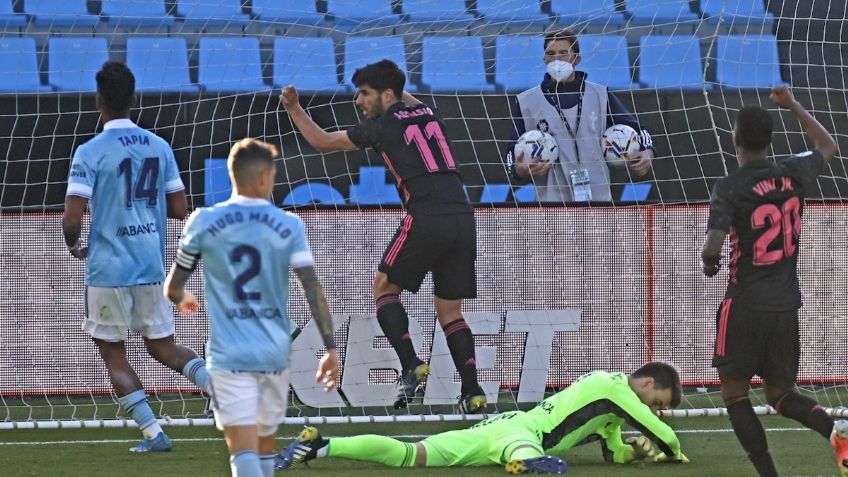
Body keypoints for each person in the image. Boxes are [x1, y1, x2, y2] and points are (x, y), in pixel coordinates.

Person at [279, 59, 486, 413]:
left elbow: (321, 141)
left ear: (387, 94)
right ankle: (474, 392)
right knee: (451, 311)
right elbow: (401, 91)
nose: (358, 100)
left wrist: (295, 108)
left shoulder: (378, 126)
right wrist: (390, 79)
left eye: (364, 93)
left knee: (384, 288)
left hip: (426, 214)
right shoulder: (428, 113)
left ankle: (410, 364)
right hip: (464, 217)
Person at [163, 138, 339, 477]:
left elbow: (172, 287)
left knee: (243, 453)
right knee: (262, 452)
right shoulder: (288, 224)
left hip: (229, 355)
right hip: (273, 353)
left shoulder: (202, 220)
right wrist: (330, 347)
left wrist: (182, 298)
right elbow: (312, 287)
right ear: (261, 177)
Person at [62, 62, 211, 453]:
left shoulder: (90, 151)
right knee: (163, 346)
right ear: (134, 99)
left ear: (98, 102)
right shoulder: (159, 146)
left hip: (108, 268)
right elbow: (180, 207)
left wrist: (75, 245)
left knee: (112, 350)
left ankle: (154, 434)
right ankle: (224, 391)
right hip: (150, 264)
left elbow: (72, 217)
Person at [701, 86, 847, 477]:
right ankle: (836, 432)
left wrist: (709, 264)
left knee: (734, 393)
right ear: (771, 139)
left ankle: (769, 474)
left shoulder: (730, 187)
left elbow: (712, 248)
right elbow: (829, 145)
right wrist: (793, 104)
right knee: (780, 394)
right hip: (786, 305)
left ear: (735, 138)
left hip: (745, 303)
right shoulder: (793, 172)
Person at [276, 362, 688, 474]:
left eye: (661, 408)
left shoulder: (610, 412)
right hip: (523, 431)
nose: (656, 411)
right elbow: (661, 432)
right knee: (531, 449)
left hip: (500, 427)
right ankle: (524, 463)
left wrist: (632, 455)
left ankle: (321, 445)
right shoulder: (613, 385)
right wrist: (675, 454)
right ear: (646, 382)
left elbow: (613, 453)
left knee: (410, 455)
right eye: (659, 401)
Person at [505, 28, 655, 203]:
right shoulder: (527, 101)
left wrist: (648, 152)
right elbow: (512, 150)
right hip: (552, 205)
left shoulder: (600, 94)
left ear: (577, 59)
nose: (556, 59)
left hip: (599, 202)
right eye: (551, 54)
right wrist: (518, 170)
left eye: (563, 53)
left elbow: (638, 130)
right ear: (544, 59)